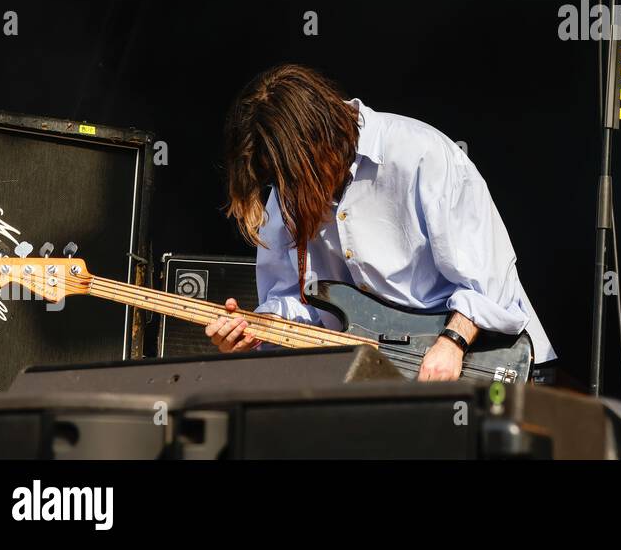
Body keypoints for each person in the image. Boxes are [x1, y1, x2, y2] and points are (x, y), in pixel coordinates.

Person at [205, 65, 555, 377]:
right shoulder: (287, 185)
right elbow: (299, 302)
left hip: (490, 361)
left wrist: (451, 343)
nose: (284, 193)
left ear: (318, 144)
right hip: (381, 377)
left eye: (291, 177)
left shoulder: (420, 155)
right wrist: (258, 332)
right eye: (275, 181)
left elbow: (490, 282)